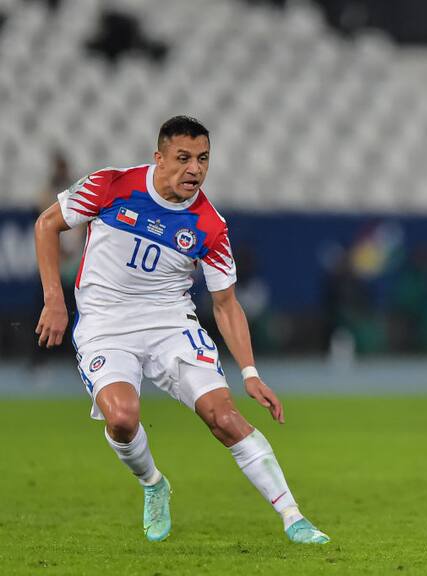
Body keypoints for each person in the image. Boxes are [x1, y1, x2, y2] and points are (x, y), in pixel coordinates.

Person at [34, 116, 330, 545]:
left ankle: (293, 516)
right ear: (159, 158)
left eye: (204, 159)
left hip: (169, 322)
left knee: (224, 417)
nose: (195, 169)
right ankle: (153, 483)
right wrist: (54, 300)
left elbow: (226, 304)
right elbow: (47, 224)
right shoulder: (112, 185)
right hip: (105, 322)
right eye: (184, 158)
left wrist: (250, 373)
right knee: (121, 418)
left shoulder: (210, 226)